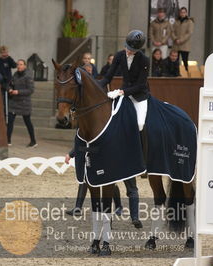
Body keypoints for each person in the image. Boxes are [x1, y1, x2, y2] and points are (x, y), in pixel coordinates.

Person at [97, 30, 152, 229]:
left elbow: (139, 84)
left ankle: (143, 160)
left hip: (139, 96)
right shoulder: (120, 55)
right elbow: (109, 76)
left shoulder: (144, 59)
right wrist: (97, 86)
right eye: (127, 48)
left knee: (139, 123)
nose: (128, 52)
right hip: (122, 93)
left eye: (131, 50)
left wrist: (121, 91)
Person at [64, 148, 123, 217]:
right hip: (91, 156)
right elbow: (83, 142)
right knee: (85, 179)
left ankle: (118, 206)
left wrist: (71, 154)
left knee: (109, 181)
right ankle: (78, 208)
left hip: (105, 155)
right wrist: (71, 154)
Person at [7, 59, 37, 148]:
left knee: (28, 122)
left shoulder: (28, 76)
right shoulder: (15, 74)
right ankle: (7, 140)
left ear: (25, 66)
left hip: (24, 103)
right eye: (18, 64)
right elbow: (10, 84)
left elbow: (31, 90)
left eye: (21, 64)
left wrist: (18, 92)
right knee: (10, 121)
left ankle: (33, 141)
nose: (19, 66)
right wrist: (10, 89)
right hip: (14, 102)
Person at [0, 46, 17, 120]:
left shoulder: (9, 60)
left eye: (5, 52)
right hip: (0, 83)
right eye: (3, 52)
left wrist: (9, 58)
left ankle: (8, 116)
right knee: (1, 101)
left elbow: (14, 65)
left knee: (9, 101)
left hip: (8, 83)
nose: (4, 54)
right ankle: (1, 116)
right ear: (0, 53)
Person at [172, 7, 194, 71]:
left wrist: (181, 40)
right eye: (181, 12)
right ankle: (175, 73)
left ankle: (186, 74)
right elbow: (172, 31)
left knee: (185, 60)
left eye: (184, 12)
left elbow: (189, 33)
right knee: (175, 60)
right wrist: (175, 39)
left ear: (186, 13)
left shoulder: (189, 22)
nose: (182, 14)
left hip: (185, 45)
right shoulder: (176, 21)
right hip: (176, 44)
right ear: (179, 13)